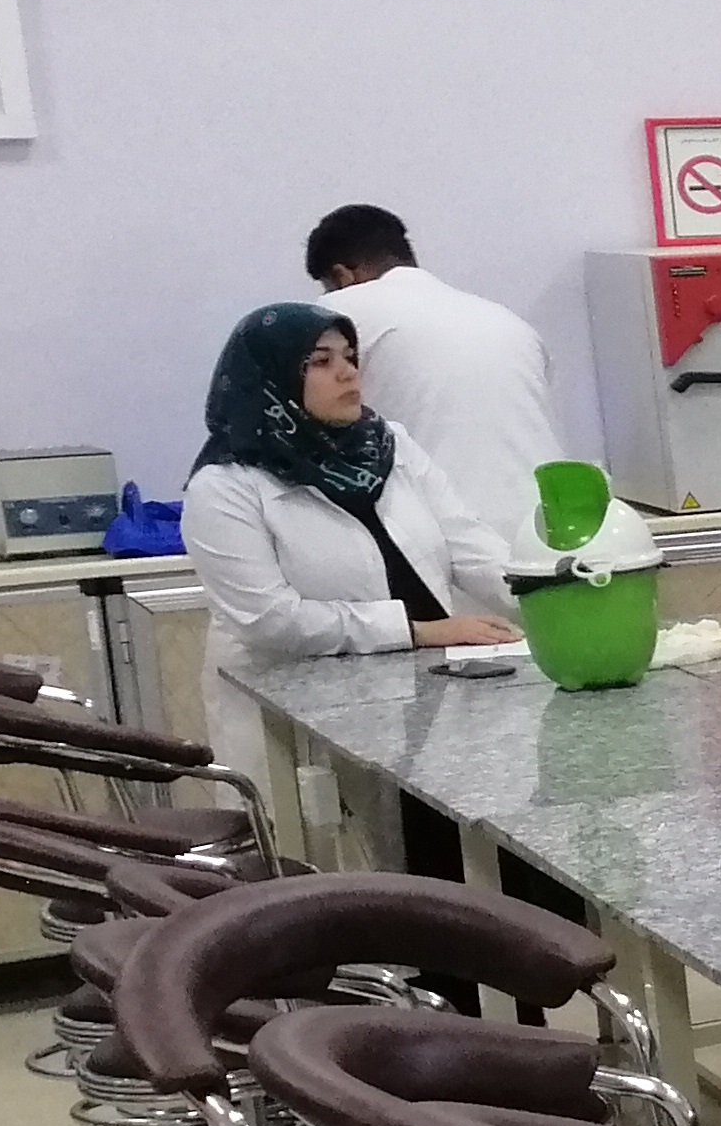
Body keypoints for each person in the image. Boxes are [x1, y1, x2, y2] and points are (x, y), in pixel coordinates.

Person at [183, 302, 514, 782]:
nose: (347, 373)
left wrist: (554, 593)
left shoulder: (387, 445)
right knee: (324, 827)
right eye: (320, 362)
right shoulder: (225, 486)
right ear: (270, 379)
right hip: (295, 721)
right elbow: (270, 620)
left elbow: (466, 542)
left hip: (425, 692)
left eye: (350, 357)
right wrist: (417, 631)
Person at [303, 206, 565, 547]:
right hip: (551, 525)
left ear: (342, 276)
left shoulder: (339, 313)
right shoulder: (506, 320)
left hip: (447, 536)